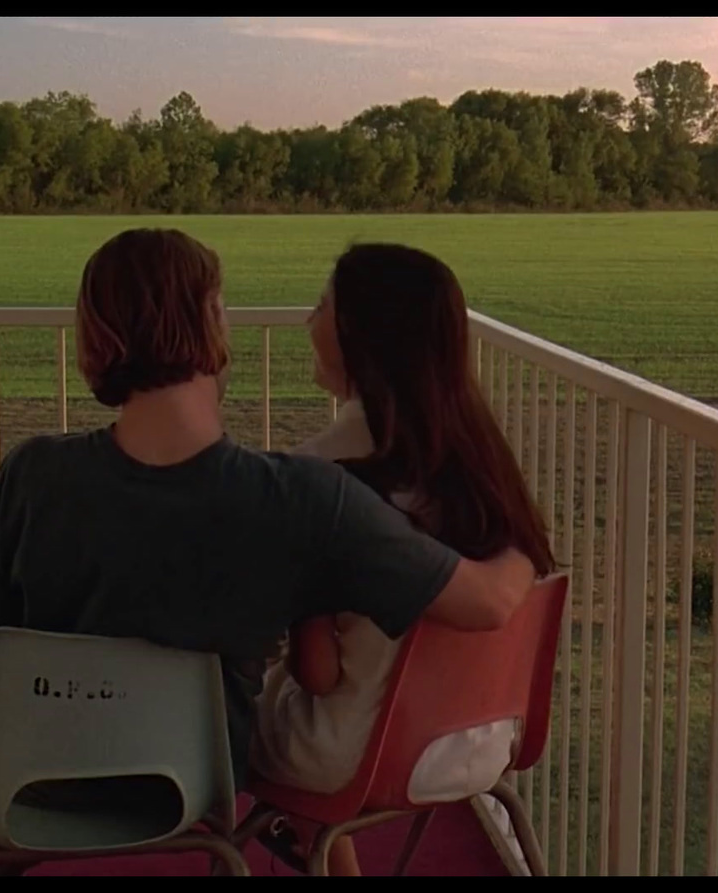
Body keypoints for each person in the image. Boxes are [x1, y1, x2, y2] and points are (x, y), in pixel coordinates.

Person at [0, 230, 537, 859]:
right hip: (185, 791)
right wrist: (519, 532)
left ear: (95, 337)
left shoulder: (29, 474)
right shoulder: (303, 499)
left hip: (16, 789)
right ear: (213, 322)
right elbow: (486, 601)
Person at [251, 244, 554, 876]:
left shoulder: (317, 477)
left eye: (322, 307)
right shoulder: (484, 474)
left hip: (359, 756)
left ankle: (311, 847)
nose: (309, 322)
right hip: (480, 742)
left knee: (240, 708)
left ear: (363, 334)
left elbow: (319, 673)